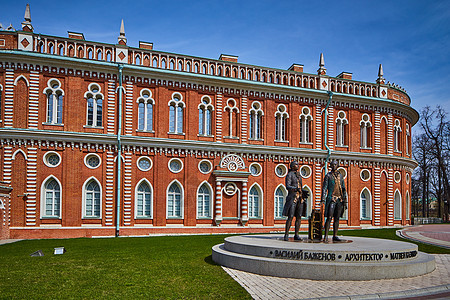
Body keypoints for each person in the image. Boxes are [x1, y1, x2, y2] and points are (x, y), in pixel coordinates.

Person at [321, 160, 347, 242]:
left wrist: (345, 199)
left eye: (335, 164)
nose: (334, 166)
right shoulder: (328, 176)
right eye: (332, 165)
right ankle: (325, 235)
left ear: (337, 165)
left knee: (337, 218)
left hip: (339, 199)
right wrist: (322, 199)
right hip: (332, 198)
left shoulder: (340, 176)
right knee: (329, 217)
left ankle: (335, 235)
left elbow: (343, 188)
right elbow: (324, 188)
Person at [282, 161, 308, 241]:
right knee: (290, 216)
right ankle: (286, 234)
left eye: (298, 164)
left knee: (299, 216)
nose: (298, 165)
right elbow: (288, 186)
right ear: (292, 166)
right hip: (292, 198)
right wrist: (295, 188)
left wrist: (302, 191)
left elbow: (300, 185)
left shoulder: (299, 175)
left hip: (300, 198)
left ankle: (296, 234)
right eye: (296, 164)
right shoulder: (289, 175)